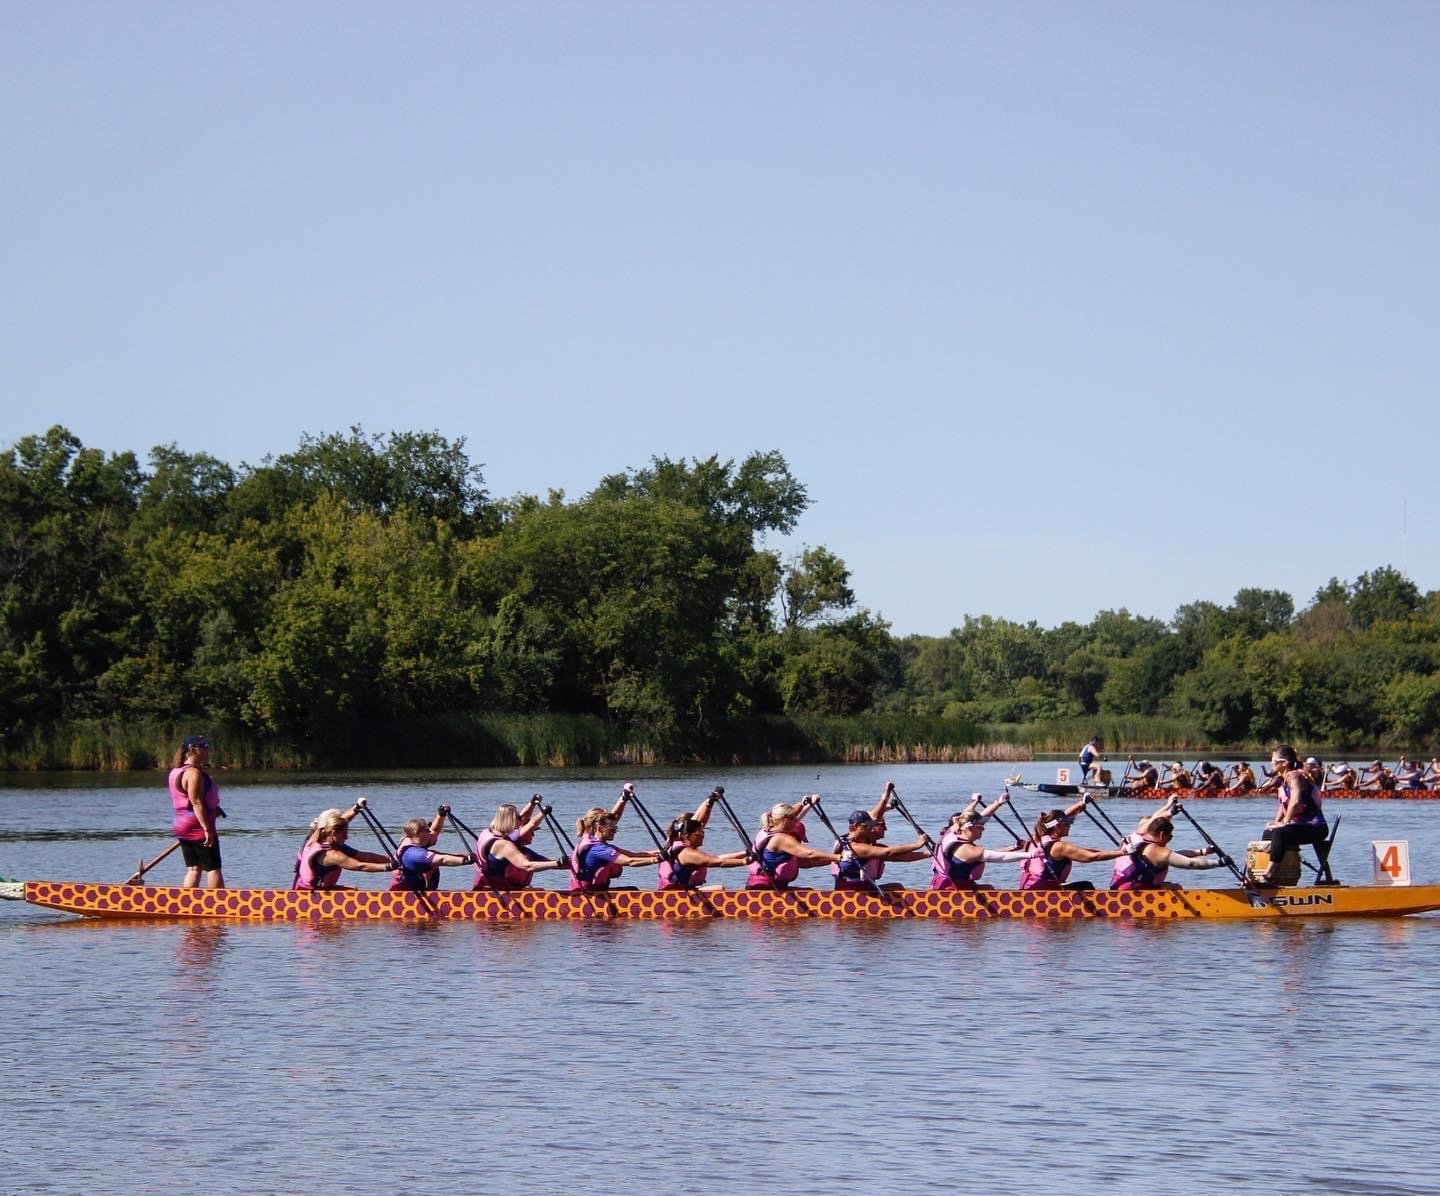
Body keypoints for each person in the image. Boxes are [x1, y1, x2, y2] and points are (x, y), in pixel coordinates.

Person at [1253, 745, 1328, 886]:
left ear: (1285, 763)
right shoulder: (1283, 779)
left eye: (1274, 761)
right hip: (1302, 827)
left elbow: (1295, 800)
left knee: (1280, 833)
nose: (1271, 764)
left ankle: (1269, 875)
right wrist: (1275, 822)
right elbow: (1283, 805)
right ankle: (1272, 874)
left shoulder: (1295, 776)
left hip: (1316, 828)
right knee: (1269, 833)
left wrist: (1284, 823)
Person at [930, 796, 1030, 891]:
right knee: (989, 889)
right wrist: (1031, 855)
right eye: (980, 827)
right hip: (951, 891)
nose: (983, 829)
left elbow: (979, 817)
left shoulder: (951, 833)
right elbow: (999, 857)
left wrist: (998, 803)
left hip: (941, 885)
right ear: (969, 827)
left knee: (988, 888)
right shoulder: (966, 849)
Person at [830, 801, 931, 892]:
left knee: (898, 887)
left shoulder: (870, 845)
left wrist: (928, 853)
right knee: (898, 888)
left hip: (865, 889)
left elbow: (901, 856)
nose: (885, 828)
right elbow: (889, 852)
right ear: (858, 827)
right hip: (853, 896)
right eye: (882, 825)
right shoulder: (854, 847)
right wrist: (918, 844)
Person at [1018, 805, 1124, 891]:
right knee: (1087, 886)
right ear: (1057, 826)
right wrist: (1124, 852)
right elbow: (1092, 857)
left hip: (1026, 889)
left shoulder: (1035, 838)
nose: (1070, 825)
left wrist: (1081, 804)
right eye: (1067, 823)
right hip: (1043, 893)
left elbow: (1063, 815)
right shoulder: (1060, 847)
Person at [657, 791, 749, 890]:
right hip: (675, 895)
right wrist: (745, 861)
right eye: (699, 832)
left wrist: (709, 802)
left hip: (679, 889)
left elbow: (716, 858)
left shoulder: (676, 843)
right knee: (720, 889)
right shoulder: (686, 852)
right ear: (687, 833)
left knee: (718, 888)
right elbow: (719, 862)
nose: (703, 835)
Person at [293, 802, 395, 890]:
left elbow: (366, 857)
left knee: (352, 889)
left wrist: (356, 808)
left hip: (304, 889)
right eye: (344, 834)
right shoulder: (331, 855)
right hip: (309, 897)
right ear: (333, 833)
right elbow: (360, 866)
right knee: (352, 891)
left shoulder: (319, 835)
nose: (347, 837)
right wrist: (388, 867)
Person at [168, 734, 225, 889]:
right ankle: (219, 906)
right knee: (213, 868)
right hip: (198, 825)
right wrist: (206, 828)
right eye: (204, 747)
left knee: (194, 868)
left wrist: (214, 807)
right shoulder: (193, 773)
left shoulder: (176, 771)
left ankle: (187, 905)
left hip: (181, 824)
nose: (208, 750)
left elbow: (187, 798)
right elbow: (195, 801)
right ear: (192, 749)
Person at [745, 796, 841, 889]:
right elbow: (809, 854)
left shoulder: (766, 831)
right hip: (767, 890)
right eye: (794, 819)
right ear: (784, 820)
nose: (796, 821)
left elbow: (806, 862)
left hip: (760, 886)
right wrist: (837, 857)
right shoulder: (781, 839)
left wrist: (805, 803)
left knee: (808, 891)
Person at [1109, 814, 1227, 890]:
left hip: (1117, 886)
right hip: (1132, 893)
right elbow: (1191, 864)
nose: (1170, 839)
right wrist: (1219, 863)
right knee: (1175, 888)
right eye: (1170, 837)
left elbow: (1175, 856)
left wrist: (1202, 852)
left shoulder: (1135, 837)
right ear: (1161, 834)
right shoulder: (1157, 851)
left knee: (1169, 886)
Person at [473, 800, 567, 890]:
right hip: (496, 895)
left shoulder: (487, 832)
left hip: (487, 887)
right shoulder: (504, 845)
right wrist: (557, 862)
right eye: (517, 818)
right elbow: (528, 866)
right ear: (511, 821)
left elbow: (523, 818)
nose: (520, 821)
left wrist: (532, 803)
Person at [570, 807, 661, 891]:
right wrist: (655, 860)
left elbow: (634, 855)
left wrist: (660, 853)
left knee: (632, 889)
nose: (615, 831)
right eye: (612, 828)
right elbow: (630, 861)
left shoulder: (588, 840)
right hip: (589, 896)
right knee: (632, 891)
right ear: (600, 828)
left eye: (615, 828)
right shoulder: (599, 849)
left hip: (590, 891)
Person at [390, 808, 474, 891]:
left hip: (417, 888)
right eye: (427, 830)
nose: (430, 832)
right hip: (405, 894)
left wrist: (441, 815)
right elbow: (442, 860)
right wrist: (465, 860)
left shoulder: (414, 839)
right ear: (417, 833)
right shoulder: (414, 854)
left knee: (434, 857)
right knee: (434, 858)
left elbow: (435, 830)